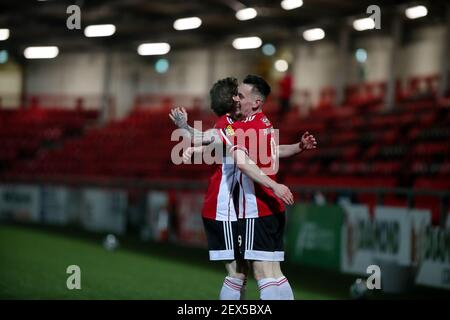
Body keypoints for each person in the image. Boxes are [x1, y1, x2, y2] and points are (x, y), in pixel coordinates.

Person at [170, 76, 317, 300]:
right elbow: (215, 141)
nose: (237, 99)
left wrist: (274, 185)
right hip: (268, 207)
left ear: (255, 102)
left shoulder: (244, 127)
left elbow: (238, 158)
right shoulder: (261, 123)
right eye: (236, 95)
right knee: (270, 273)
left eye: (241, 95)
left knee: (250, 274)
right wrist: (298, 147)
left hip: (253, 207)